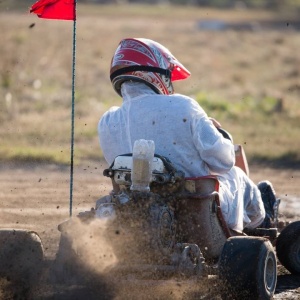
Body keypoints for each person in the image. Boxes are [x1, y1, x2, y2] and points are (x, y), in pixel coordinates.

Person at [98, 38, 275, 232]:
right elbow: (223, 162)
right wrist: (219, 133)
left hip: (135, 210)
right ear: (154, 74)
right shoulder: (182, 106)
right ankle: (261, 225)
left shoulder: (107, 120)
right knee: (236, 175)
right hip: (197, 214)